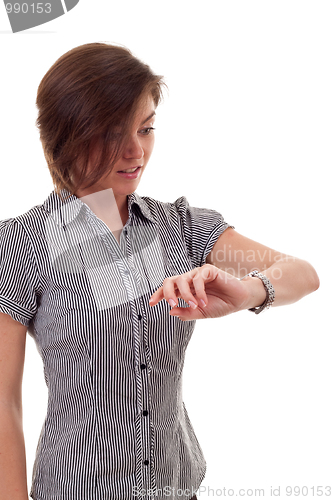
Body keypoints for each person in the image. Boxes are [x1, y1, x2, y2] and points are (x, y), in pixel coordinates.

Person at [0, 42, 319, 500]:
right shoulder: (22, 243)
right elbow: (4, 403)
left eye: (146, 129)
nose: (136, 152)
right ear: (64, 135)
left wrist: (249, 292)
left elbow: (302, 273)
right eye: (112, 134)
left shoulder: (182, 228)